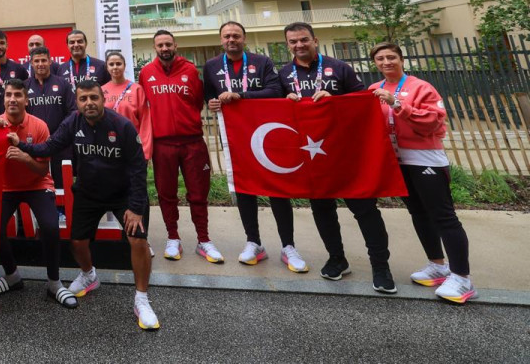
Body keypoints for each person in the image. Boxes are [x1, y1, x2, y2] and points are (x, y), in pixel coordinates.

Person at [17, 78, 159, 329]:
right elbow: (50, 145)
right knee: (78, 242)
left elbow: (139, 168)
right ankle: (89, 275)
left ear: (103, 99)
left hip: (123, 193)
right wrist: (22, 145)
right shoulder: (73, 122)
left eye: (94, 97)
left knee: (138, 240)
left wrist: (136, 208)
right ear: (77, 103)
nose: (89, 103)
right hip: (89, 192)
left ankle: (142, 299)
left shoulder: (122, 126)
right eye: (83, 99)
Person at [280, 22, 392, 292]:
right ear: (288, 45)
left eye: (304, 40)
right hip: (313, 157)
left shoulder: (339, 67)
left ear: (314, 40)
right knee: (322, 210)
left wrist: (336, 99)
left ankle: (380, 267)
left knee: (365, 210)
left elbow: (363, 102)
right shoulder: (284, 74)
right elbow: (273, 107)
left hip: (346, 153)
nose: (299, 45)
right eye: (293, 42)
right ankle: (337, 259)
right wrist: (286, 100)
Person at [371, 42, 476, 304]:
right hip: (397, 161)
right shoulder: (374, 89)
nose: (386, 62)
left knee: (443, 216)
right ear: (375, 63)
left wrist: (397, 104)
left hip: (425, 158)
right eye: (380, 59)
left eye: (391, 57)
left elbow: (433, 121)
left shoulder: (421, 87)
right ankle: (437, 265)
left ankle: (462, 278)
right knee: (418, 213)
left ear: (401, 59)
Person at [204, 21, 306, 272]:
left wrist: (242, 96)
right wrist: (213, 102)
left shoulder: (262, 62)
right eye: (227, 36)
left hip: (266, 135)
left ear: (244, 38)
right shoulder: (212, 66)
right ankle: (254, 242)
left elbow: (275, 91)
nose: (231, 40)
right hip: (237, 137)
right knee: (245, 188)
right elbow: (208, 95)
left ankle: (288, 245)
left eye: (236, 35)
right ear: (221, 40)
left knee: (276, 188)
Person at [123, 36, 223, 265]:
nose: (165, 48)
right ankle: (173, 238)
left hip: (192, 142)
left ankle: (204, 240)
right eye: (160, 45)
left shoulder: (189, 69)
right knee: (166, 194)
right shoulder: (146, 73)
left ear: (175, 46)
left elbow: (198, 102)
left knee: (198, 194)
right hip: (163, 144)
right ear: (155, 48)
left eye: (168, 44)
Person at [0, 78, 76, 307]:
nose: (12, 99)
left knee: (50, 226)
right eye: (8, 95)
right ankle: (13, 276)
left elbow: (43, 169)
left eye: (17, 94)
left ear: (26, 99)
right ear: (3, 98)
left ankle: (54, 283)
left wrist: (25, 158)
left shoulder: (39, 126)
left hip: (37, 184)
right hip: (6, 187)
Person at [25, 45, 77, 212]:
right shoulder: (25, 87)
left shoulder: (63, 84)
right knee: (36, 180)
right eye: (37, 61)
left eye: (44, 60)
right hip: (35, 144)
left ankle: (63, 212)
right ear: (31, 63)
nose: (40, 64)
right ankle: (39, 213)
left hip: (60, 143)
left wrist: (59, 135)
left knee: (61, 180)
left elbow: (73, 111)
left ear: (50, 61)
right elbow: (21, 115)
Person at [0, 30, 30, 122]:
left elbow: (26, 96)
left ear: (7, 46)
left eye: (2, 43)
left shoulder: (19, 69)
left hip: (15, 122)